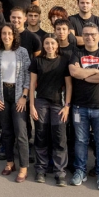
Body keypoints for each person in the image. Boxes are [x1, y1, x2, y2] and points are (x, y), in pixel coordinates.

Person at [68, 23, 99, 189]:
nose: (89, 37)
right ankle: (80, 170)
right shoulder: (76, 53)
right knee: (80, 141)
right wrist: (96, 71)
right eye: (86, 34)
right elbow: (74, 73)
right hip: (79, 106)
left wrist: (85, 75)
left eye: (93, 34)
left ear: (98, 35)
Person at [0, 24, 32, 182]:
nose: (6, 36)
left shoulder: (22, 52)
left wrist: (24, 96)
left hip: (18, 94)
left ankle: (23, 167)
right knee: (6, 132)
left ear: (14, 35)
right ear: (0, 36)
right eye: (3, 34)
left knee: (20, 132)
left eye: (9, 33)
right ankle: (9, 163)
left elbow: (28, 75)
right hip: (1, 95)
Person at [30, 36, 71, 185]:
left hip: (58, 104)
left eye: (52, 43)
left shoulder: (63, 61)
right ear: (43, 45)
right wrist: (31, 106)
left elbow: (69, 86)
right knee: (41, 135)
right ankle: (41, 169)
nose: (49, 46)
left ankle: (60, 172)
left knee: (59, 137)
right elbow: (32, 83)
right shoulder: (37, 61)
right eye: (46, 43)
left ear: (57, 45)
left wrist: (67, 106)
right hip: (40, 102)